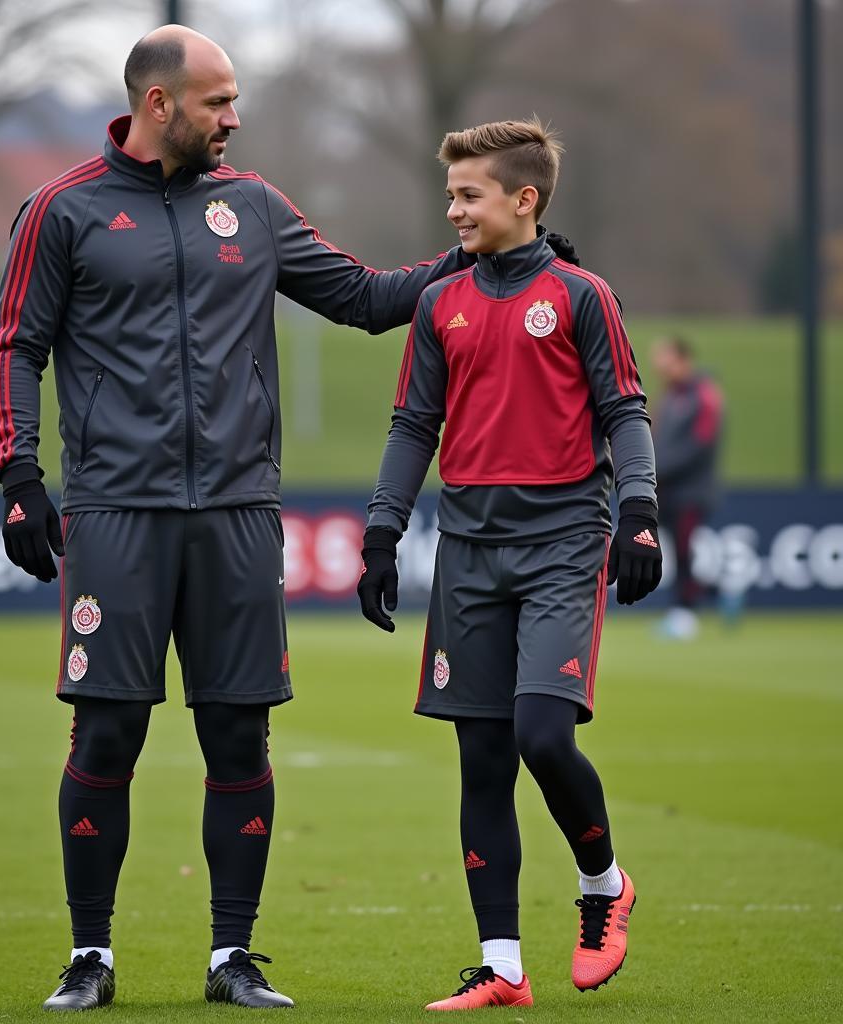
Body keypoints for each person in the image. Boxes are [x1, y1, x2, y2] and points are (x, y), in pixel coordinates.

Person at [0, 25, 494, 1014]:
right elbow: (17, 345)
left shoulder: (252, 206)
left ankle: (233, 957)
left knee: (238, 736)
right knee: (106, 736)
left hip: (237, 514)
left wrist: (472, 254)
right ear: (159, 103)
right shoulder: (61, 210)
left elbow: (359, 296)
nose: (233, 118)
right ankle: (89, 955)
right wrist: (18, 474)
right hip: (115, 512)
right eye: (218, 102)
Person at [356, 118, 663, 1010]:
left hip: (564, 541)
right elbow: (415, 424)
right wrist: (383, 534)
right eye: (450, 194)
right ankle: (503, 969)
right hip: (468, 553)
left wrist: (637, 514)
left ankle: (604, 885)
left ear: (523, 200)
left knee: (541, 736)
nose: (452, 210)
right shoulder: (437, 304)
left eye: (468, 195)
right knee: (482, 760)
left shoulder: (579, 296)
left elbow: (626, 411)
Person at [651, 336, 724, 638]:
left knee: (683, 550)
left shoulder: (705, 395)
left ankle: (684, 615)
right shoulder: (667, 397)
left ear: (682, 358)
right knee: (680, 554)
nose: (659, 364)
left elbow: (700, 445)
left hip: (692, 491)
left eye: (664, 357)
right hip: (665, 490)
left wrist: (660, 470)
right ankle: (718, 592)